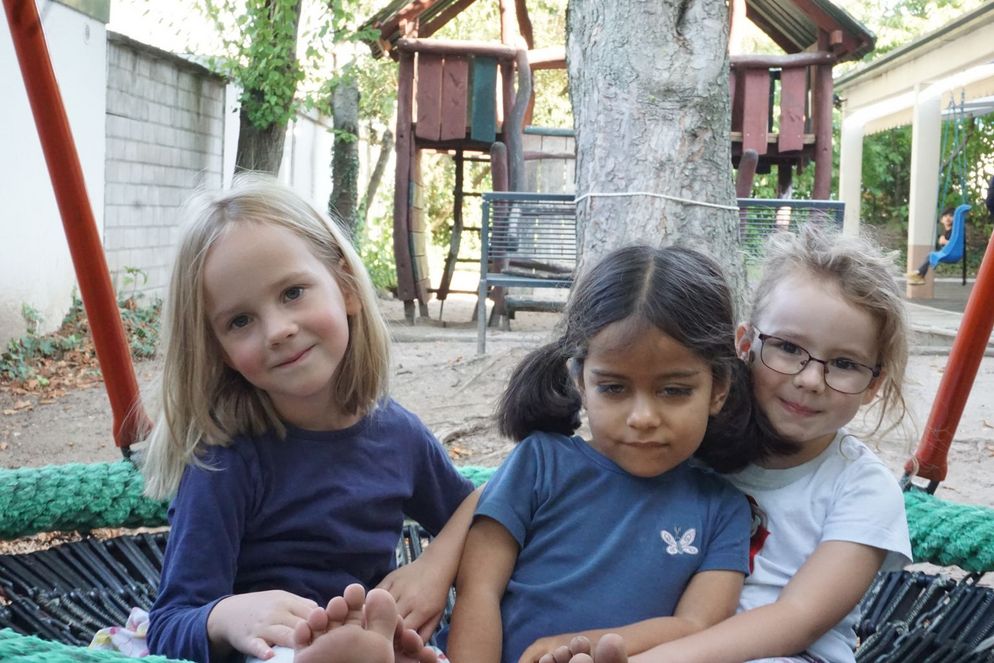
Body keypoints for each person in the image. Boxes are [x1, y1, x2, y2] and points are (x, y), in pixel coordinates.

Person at [138, 173, 477, 663]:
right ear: (221, 353)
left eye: (293, 292)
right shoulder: (227, 459)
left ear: (346, 290)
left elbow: (483, 513)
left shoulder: (398, 436)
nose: (277, 330)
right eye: (240, 321)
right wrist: (228, 616)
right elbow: (169, 626)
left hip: (375, 636)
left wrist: (432, 569)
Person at [553, 225, 913, 663]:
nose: (810, 379)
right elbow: (551, 483)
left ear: (873, 384)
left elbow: (796, 619)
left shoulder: (863, 489)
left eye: (843, 364)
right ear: (745, 344)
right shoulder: (687, 443)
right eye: (787, 348)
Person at [444, 245, 795, 663]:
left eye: (674, 390)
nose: (643, 417)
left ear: (718, 388)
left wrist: (587, 644)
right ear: (580, 381)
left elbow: (696, 626)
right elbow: (477, 588)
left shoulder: (723, 510)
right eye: (613, 388)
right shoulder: (539, 464)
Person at [906, 206, 955, 285]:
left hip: (951, 253)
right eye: (945, 216)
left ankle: (919, 274)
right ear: (942, 219)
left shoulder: (954, 231)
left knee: (931, 255)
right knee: (930, 255)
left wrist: (945, 241)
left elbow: (955, 243)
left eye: (951, 216)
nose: (948, 218)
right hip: (945, 252)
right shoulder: (945, 231)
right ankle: (920, 276)